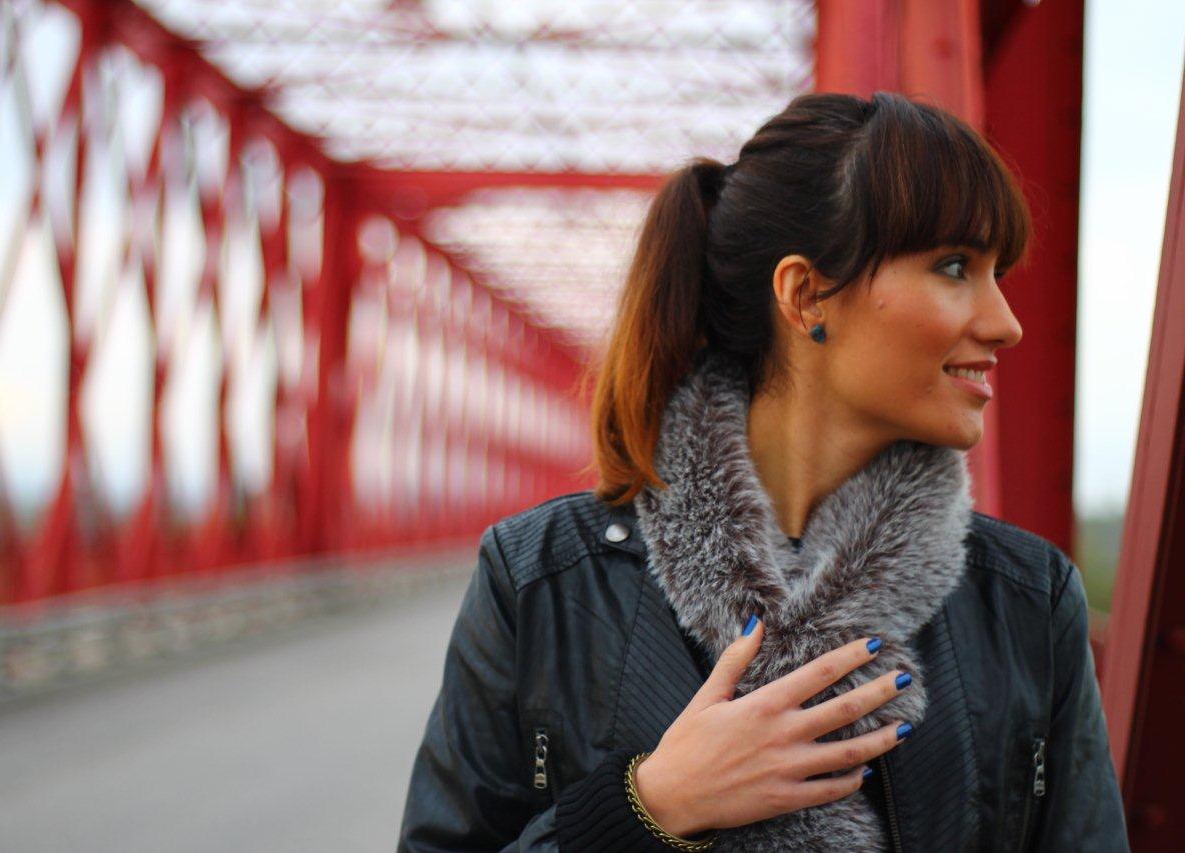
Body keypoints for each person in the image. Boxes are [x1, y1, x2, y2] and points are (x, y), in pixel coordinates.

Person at [396, 90, 1130, 851]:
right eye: (955, 267)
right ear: (806, 296)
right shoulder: (542, 577)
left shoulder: (1028, 598)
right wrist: (649, 807)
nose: (1007, 323)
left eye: (997, 272)